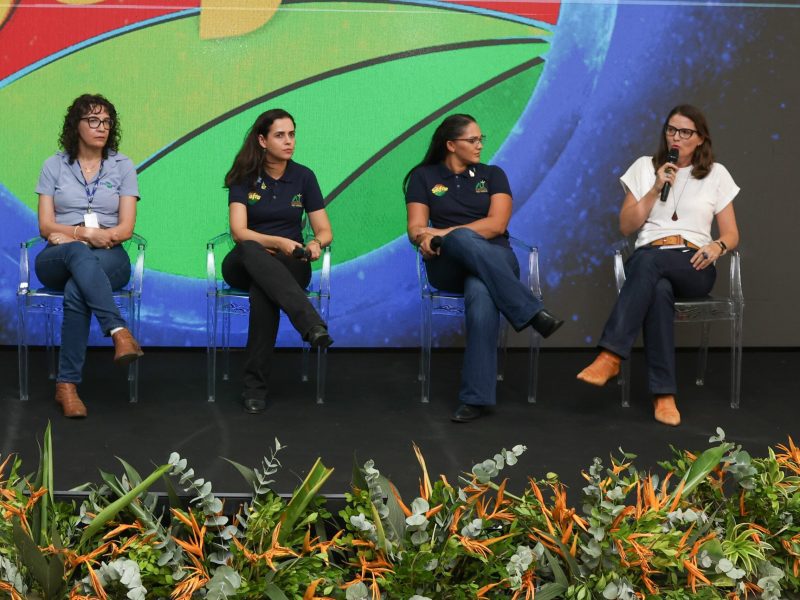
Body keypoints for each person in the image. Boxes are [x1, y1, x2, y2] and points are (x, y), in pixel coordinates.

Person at [577, 104, 740, 426]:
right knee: (658, 290)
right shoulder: (644, 167)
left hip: (694, 263)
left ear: (700, 138)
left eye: (684, 132)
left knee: (647, 265)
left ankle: (610, 356)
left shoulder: (716, 174)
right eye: (670, 130)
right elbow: (627, 227)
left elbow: (732, 233)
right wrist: (654, 187)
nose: (675, 137)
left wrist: (717, 246)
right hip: (651, 256)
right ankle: (664, 395)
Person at [404, 114, 563, 423]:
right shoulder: (423, 178)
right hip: (447, 265)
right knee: (466, 249)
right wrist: (442, 237)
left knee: (480, 288)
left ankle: (475, 400)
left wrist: (442, 234)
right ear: (451, 145)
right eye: (472, 140)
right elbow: (415, 230)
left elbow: (497, 225)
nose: (479, 145)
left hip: (497, 258)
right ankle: (531, 312)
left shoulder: (493, 175)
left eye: (481, 139)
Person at [35, 93, 143, 419]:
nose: (101, 127)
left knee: (76, 290)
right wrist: (82, 234)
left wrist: (84, 235)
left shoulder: (123, 165)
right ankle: (118, 332)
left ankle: (66, 386)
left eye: (107, 121)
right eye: (93, 120)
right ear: (76, 125)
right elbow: (44, 225)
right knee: (76, 254)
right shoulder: (53, 165)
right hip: (58, 256)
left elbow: (125, 228)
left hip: (111, 256)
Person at [222, 108, 333, 414]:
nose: (289, 142)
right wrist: (278, 243)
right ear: (262, 140)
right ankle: (309, 323)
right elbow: (239, 232)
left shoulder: (304, 177)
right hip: (245, 261)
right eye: (280, 135)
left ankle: (254, 388)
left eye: (292, 134)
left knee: (264, 291)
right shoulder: (243, 177)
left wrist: (314, 243)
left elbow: (324, 230)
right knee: (250, 249)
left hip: (291, 264)